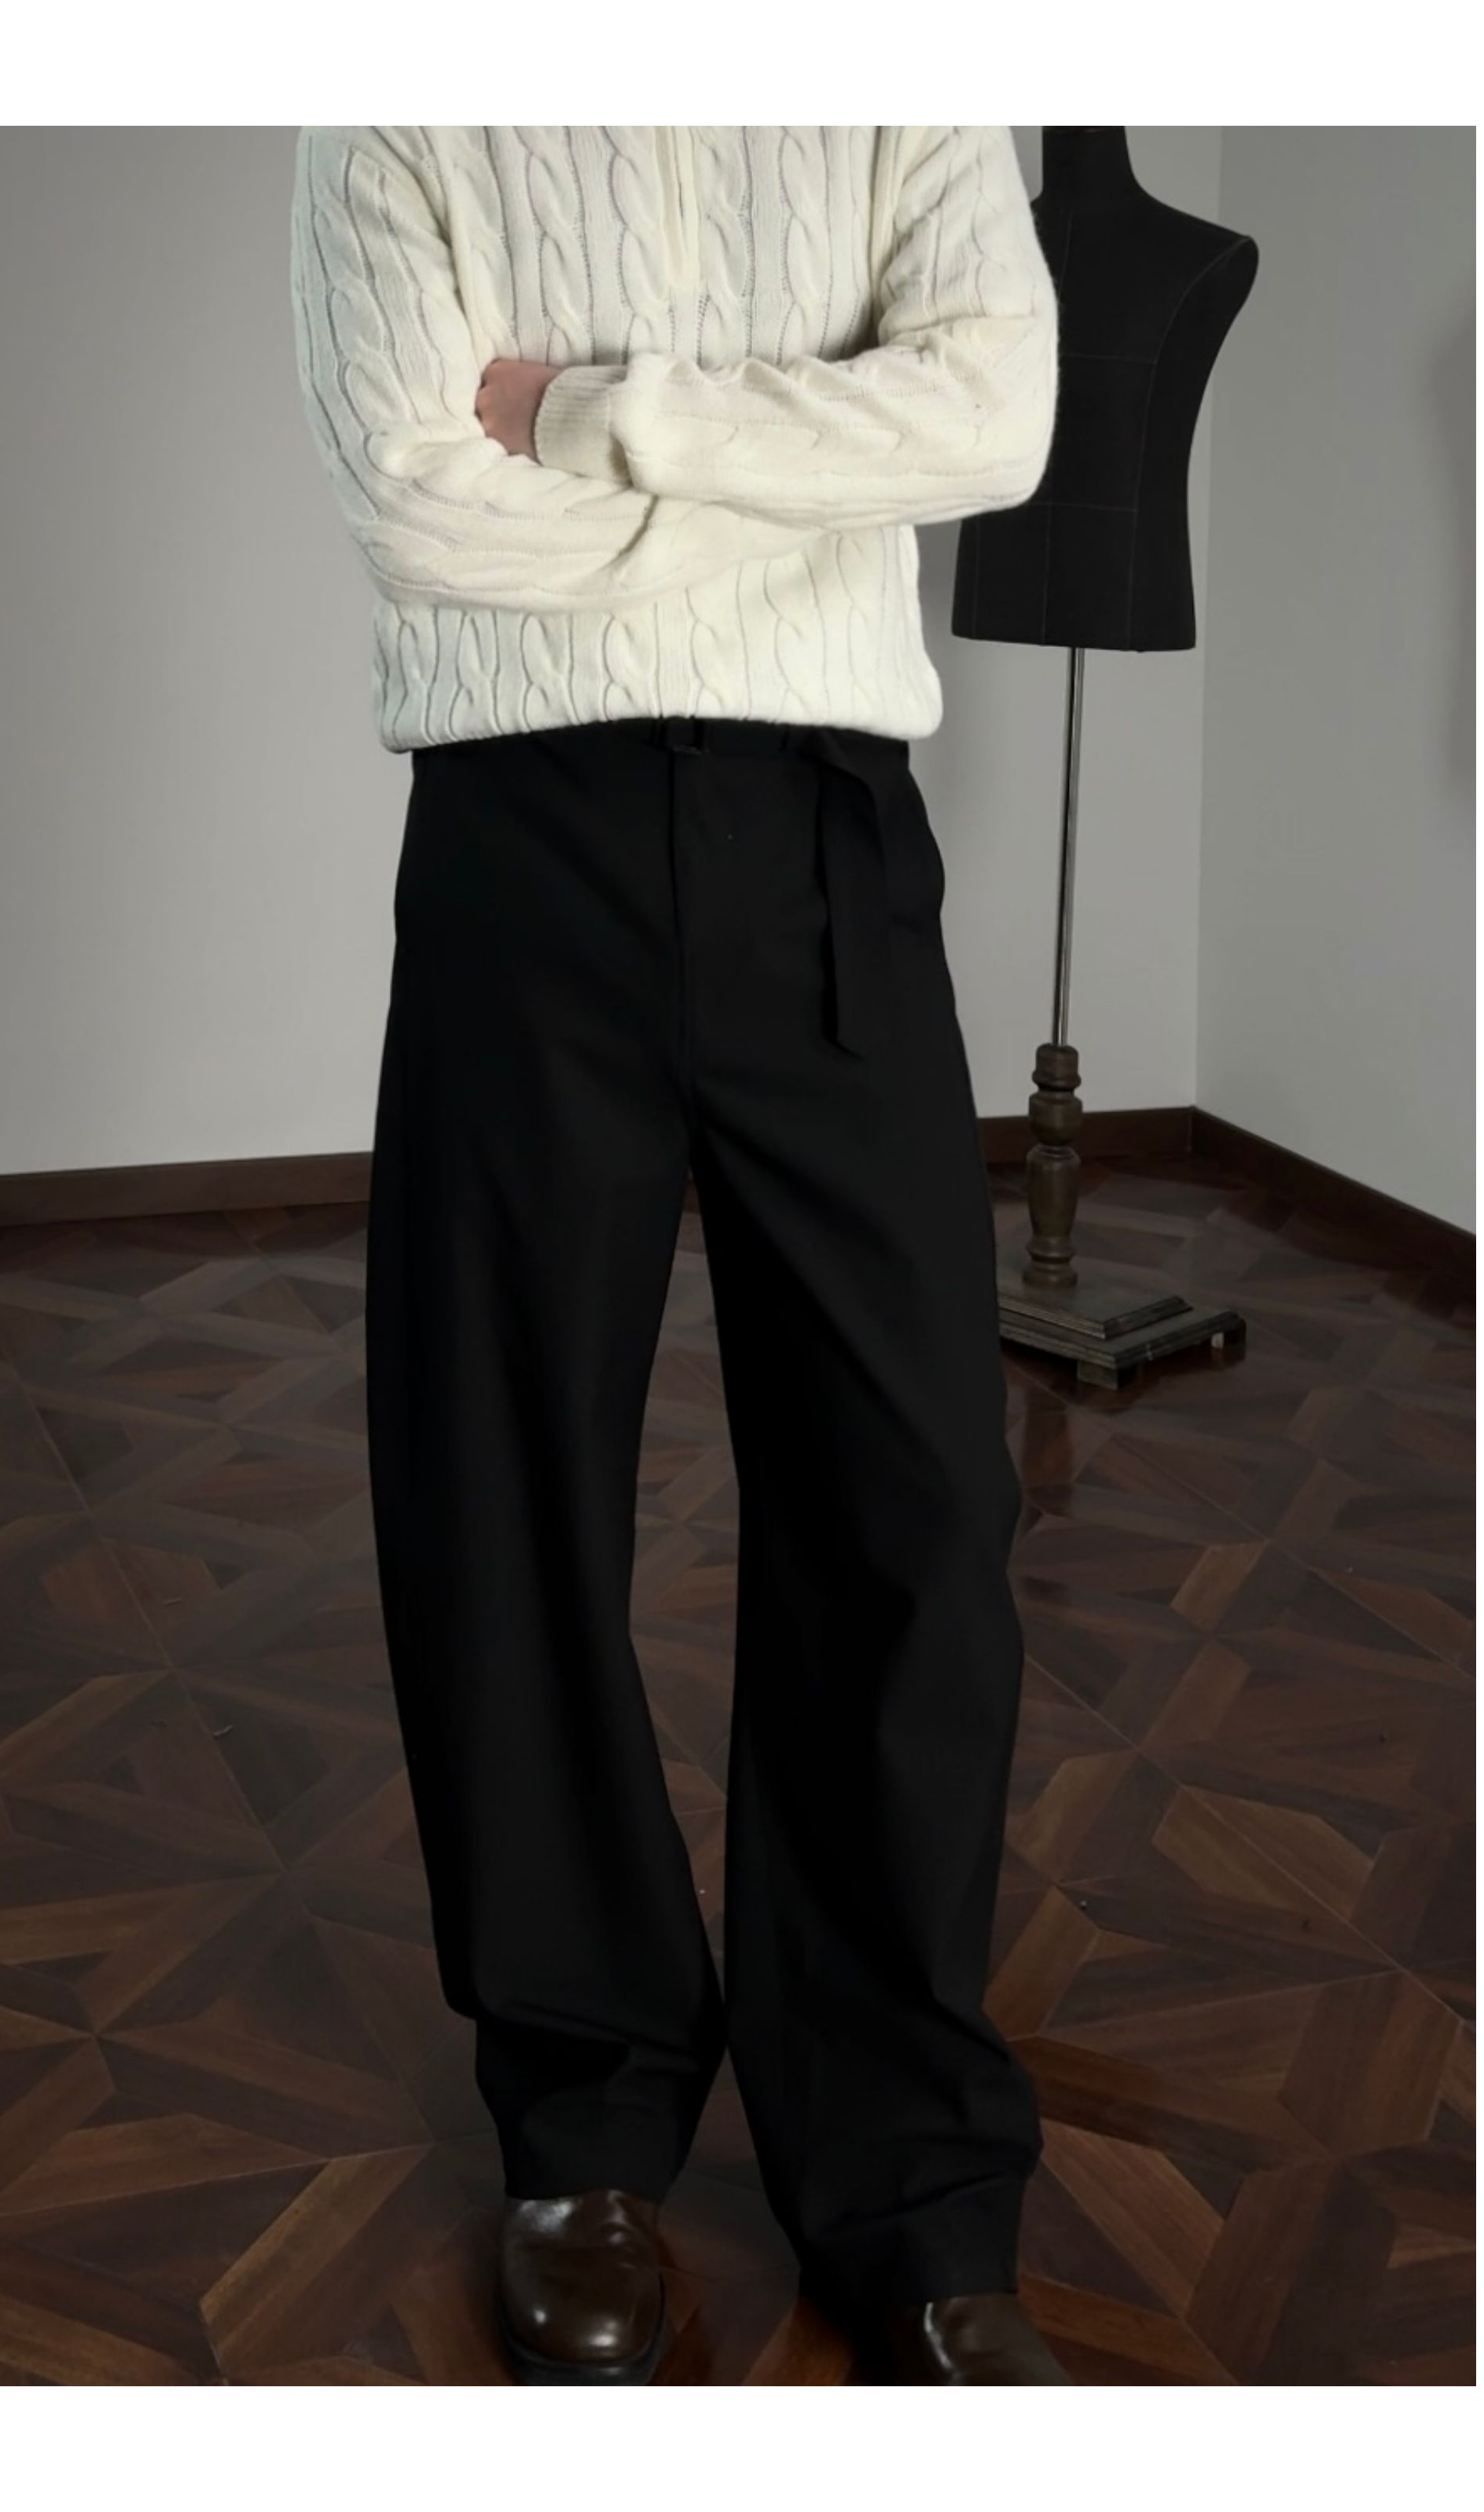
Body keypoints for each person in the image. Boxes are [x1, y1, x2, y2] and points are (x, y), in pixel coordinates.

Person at [291, 123, 1069, 2386]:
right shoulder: (400, 99)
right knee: (504, 1486)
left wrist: (592, 409)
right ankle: (583, 2112)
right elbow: (419, 504)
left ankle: (908, 2171)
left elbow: (996, 417)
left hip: (825, 824)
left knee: (916, 1499)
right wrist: (811, 473)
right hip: (521, 829)